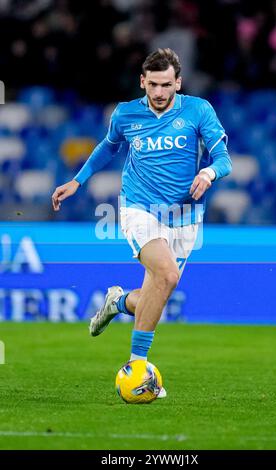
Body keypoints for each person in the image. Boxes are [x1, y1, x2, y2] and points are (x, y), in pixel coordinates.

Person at [52, 48, 232, 398]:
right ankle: (138, 369)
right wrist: (78, 180)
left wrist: (209, 172)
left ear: (178, 82)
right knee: (166, 275)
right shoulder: (126, 114)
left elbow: (223, 157)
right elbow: (108, 146)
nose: (160, 93)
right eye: (153, 85)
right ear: (142, 82)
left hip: (185, 216)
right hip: (140, 208)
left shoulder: (198, 110)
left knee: (155, 297)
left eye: (167, 85)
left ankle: (117, 302)